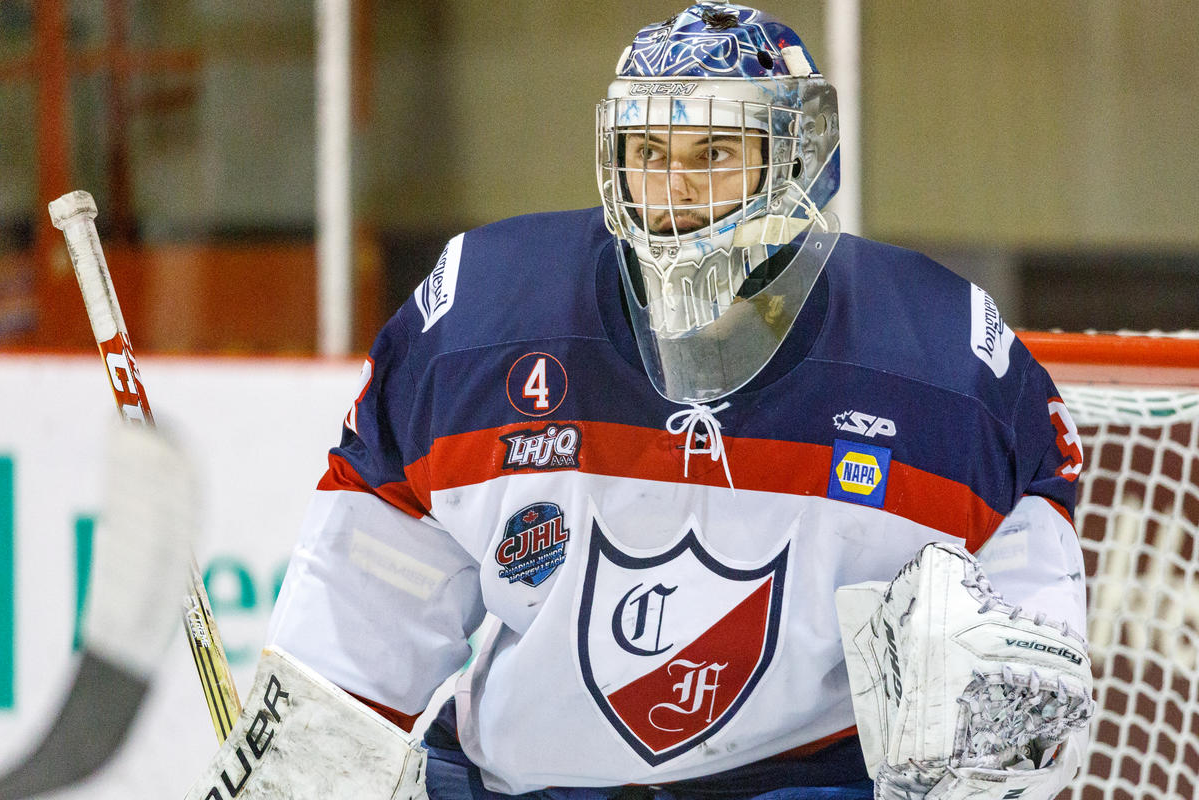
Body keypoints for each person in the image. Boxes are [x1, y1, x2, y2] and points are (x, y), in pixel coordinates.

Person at [263, 4, 1091, 800]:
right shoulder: (484, 315)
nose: (672, 189)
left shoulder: (935, 355)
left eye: (714, 152)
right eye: (648, 151)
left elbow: (1029, 532)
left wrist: (1004, 714)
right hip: (522, 785)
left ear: (799, 158)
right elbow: (377, 563)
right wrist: (309, 755)